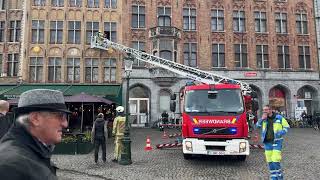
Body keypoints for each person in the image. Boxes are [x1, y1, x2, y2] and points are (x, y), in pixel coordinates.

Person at [0, 89, 70, 180]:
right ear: (35, 119)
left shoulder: (31, 152)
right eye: (60, 116)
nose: (65, 124)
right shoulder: (10, 166)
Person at [256, 105, 290, 180]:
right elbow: (257, 126)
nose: (264, 111)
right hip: (267, 143)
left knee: (275, 159)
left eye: (266, 110)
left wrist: (280, 132)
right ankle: (273, 177)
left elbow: (287, 127)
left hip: (277, 142)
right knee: (270, 161)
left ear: (270, 110)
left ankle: (280, 177)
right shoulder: (264, 119)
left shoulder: (279, 118)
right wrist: (261, 119)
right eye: (263, 110)